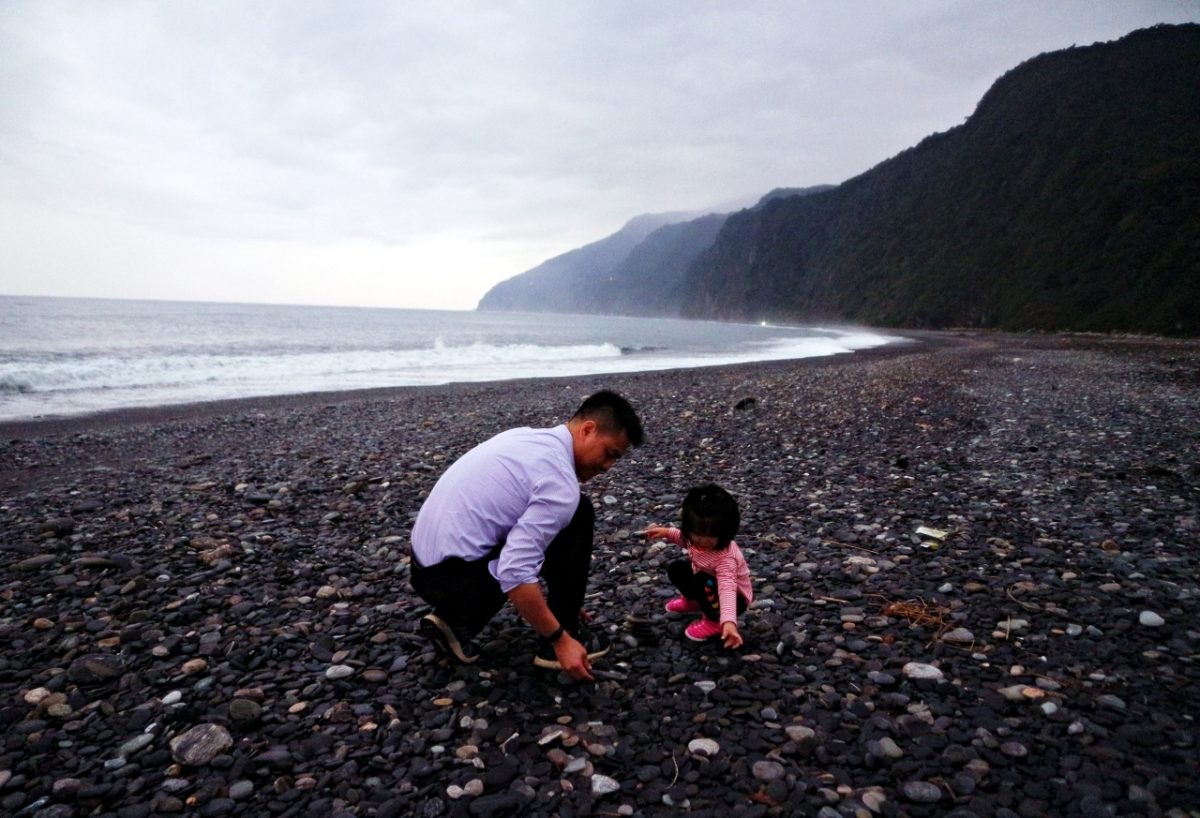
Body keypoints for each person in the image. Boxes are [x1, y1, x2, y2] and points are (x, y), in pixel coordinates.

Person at [409, 390, 643, 681]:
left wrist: (558, 598)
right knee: (578, 513)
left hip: (422, 570)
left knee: (538, 521)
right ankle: (559, 638)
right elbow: (514, 570)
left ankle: (452, 620)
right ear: (588, 429)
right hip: (460, 582)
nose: (608, 467)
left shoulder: (524, 437)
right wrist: (559, 638)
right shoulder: (559, 481)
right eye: (610, 454)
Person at [644, 484, 752, 649]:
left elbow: (727, 588)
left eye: (711, 536)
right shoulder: (694, 540)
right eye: (697, 534)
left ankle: (714, 621)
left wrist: (728, 621)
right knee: (677, 568)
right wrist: (666, 532)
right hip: (708, 586)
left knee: (703, 580)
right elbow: (682, 539)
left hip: (733, 600)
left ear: (726, 532)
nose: (702, 540)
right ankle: (694, 602)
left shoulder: (726, 559)